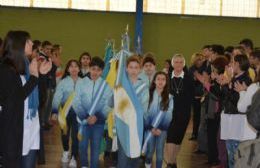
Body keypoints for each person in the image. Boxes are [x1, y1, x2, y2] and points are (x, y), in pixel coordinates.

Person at [0, 30, 51, 168]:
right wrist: (34, 78)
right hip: (13, 132)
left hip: (30, 127)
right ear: (19, 44)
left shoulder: (26, 67)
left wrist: (42, 76)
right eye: (29, 41)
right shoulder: (5, 70)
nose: (32, 44)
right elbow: (15, 100)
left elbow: (40, 99)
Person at [75, 56, 113, 168]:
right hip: (83, 122)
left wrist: (97, 117)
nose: (95, 72)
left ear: (102, 71)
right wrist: (85, 117)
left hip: (99, 122)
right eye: (93, 69)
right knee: (82, 146)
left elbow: (108, 104)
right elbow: (76, 101)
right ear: (89, 69)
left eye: (98, 70)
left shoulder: (106, 86)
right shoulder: (80, 83)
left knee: (95, 148)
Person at [51, 60, 82, 167]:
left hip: (78, 114)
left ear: (79, 69)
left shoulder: (84, 82)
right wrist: (54, 111)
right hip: (65, 114)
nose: (73, 69)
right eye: (71, 67)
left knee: (75, 136)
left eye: (76, 66)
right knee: (65, 134)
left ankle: (74, 156)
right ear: (68, 69)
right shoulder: (63, 82)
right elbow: (57, 97)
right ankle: (65, 151)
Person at [166, 54, 194, 168]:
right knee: (170, 137)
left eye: (180, 62)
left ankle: (173, 161)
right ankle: (169, 162)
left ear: (184, 64)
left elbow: (191, 96)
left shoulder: (189, 77)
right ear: (172, 64)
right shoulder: (166, 76)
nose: (178, 64)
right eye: (176, 62)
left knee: (178, 138)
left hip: (184, 113)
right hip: (169, 113)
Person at [144, 71, 173, 168]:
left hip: (162, 131)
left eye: (163, 79)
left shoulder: (170, 98)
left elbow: (169, 115)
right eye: (158, 79)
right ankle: (147, 165)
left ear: (166, 82)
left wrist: (160, 128)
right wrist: (151, 128)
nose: (161, 81)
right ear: (154, 81)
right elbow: (145, 113)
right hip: (149, 129)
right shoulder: (148, 95)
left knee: (160, 155)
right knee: (149, 153)